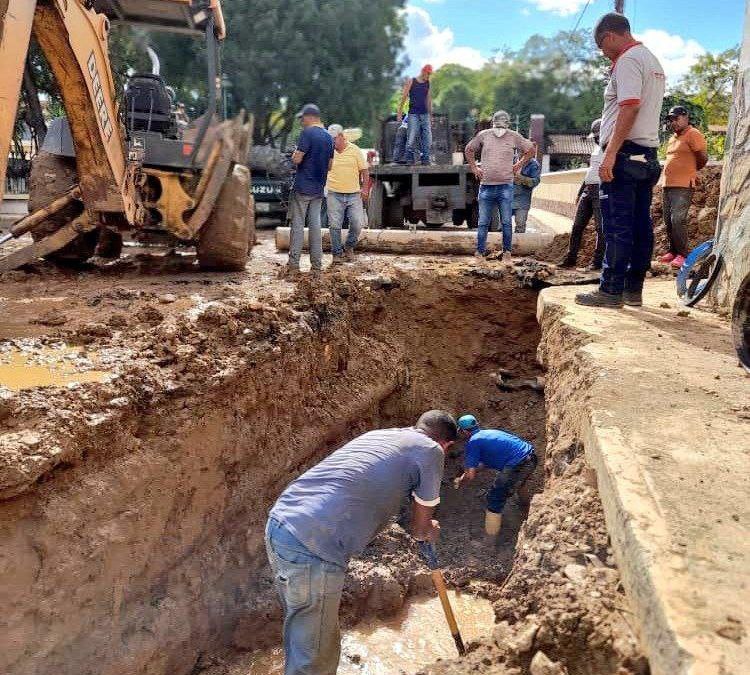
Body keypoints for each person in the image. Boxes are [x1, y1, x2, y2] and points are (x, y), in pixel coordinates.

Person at [266, 411, 458, 675]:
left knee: (305, 633)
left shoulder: (380, 435)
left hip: (282, 526)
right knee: (315, 656)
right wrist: (427, 530)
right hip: (315, 544)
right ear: (446, 444)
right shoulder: (431, 450)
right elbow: (420, 525)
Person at [576, 13, 665, 308]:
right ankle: (632, 290)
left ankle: (610, 290)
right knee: (640, 225)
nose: (603, 52)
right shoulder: (651, 60)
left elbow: (629, 107)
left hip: (624, 154)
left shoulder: (628, 61)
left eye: (602, 45)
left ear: (611, 36)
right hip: (647, 155)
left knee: (617, 225)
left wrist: (610, 153)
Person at [453, 414, 537, 544]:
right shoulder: (489, 433)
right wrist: (464, 476)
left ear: (463, 431)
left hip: (518, 464)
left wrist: (461, 482)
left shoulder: (474, 441)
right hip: (531, 458)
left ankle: (489, 542)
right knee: (518, 483)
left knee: (494, 498)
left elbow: (470, 475)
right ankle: (528, 511)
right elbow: (481, 465)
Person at [465, 110, 536, 262]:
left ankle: (507, 253)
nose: (499, 129)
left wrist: (518, 164)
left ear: (507, 125)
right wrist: (474, 168)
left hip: (505, 186)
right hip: (486, 186)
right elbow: (469, 149)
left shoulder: (514, 136)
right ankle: (479, 252)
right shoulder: (484, 135)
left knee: (505, 222)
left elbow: (530, 150)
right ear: (493, 124)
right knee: (483, 222)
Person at [286, 104, 334, 276]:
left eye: (302, 118)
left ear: (310, 117)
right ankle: (316, 268)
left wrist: (293, 155)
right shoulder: (329, 137)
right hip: (318, 188)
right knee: (315, 226)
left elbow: (298, 159)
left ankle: (293, 266)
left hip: (303, 187)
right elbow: (330, 165)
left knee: (297, 226)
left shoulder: (307, 133)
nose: (301, 121)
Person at [658, 105, 708, 269]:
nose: (674, 122)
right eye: (671, 119)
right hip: (668, 184)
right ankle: (673, 251)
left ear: (686, 117)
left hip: (684, 184)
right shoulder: (673, 138)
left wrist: (690, 171)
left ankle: (683, 254)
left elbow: (702, 158)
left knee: (678, 220)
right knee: (668, 221)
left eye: (676, 118)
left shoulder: (693, 134)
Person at [560, 118, 606, 270]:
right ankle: (571, 258)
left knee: (600, 228)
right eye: (596, 137)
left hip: (602, 190)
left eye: (599, 136)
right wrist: (581, 191)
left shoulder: (613, 148)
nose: (597, 139)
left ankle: (597, 262)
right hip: (588, 190)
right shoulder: (595, 149)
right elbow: (591, 172)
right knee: (577, 226)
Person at [326, 124, 368, 263]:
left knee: (358, 223)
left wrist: (365, 189)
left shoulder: (355, 150)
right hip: (334, 193)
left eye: (334, 138)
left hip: (353, 194)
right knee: (334, 225)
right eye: (329, 138)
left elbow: (364, 171)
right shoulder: (328, 151)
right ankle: (337, 254)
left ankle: (349, 246)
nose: (332, 141)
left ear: (342, 137)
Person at [397, 65, 434, 166]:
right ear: (423, 71)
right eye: (427, 73)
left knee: (427, 137)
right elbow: (404, 97)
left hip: (425, 114)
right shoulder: (412, 81)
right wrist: (399, 112)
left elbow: (428, 99)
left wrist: (431, 115)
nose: (428, 76)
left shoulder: (428, 83)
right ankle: (409, 158)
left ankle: (425, 158)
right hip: (413, 113)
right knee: (412, 135)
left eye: (430, 74)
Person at [512, 143, 541, 234]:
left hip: (522, 200)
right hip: (507, 197)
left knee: (520, 224)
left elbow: (535, 181)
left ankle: (517, 246)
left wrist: (521, 178)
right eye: (521, 150)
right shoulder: (511, 160)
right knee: (502, 224)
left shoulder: (534, 164)